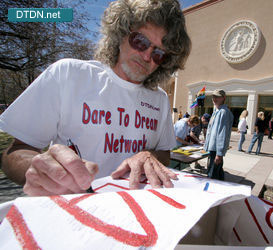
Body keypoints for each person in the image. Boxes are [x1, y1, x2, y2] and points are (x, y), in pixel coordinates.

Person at [0, 0, 191, 196]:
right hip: (71, 210)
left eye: (159, 54)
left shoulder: (159, 99)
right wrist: (39, 169)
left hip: (135, 211)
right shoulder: (68, 74)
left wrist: (149, 155)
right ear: (121, 33)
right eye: (140, 42)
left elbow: (165, 153)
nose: (147, 57)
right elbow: (15, 151)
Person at [204, 89, 233, 180]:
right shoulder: (217, 111)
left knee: (212, 176)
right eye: (213, 96)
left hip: (216, 149)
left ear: (223, 98)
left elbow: (222, 133)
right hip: (213, 148)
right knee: (217, 173)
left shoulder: (223, 112)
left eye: (217, 97)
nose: (214, 99)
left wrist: (219, 153)